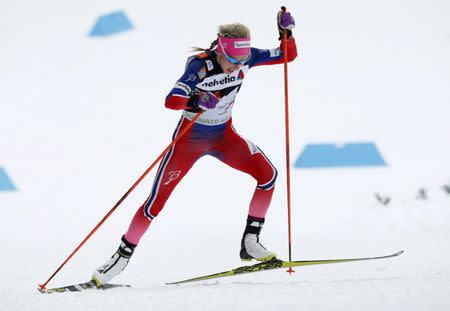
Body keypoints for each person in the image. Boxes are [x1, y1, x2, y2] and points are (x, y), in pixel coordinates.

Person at [91, 9, 297, 286]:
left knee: (268, 176)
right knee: (155, 204)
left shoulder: (246, 57)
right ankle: (120, 258)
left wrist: (287, 33)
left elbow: (287, 55)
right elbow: (172, 100)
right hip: (189, 141)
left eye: (241, 61)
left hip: (223, 138)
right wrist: (197, 99)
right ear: (220, 50)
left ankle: (250, 241)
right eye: (232, 61)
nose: (237, 66)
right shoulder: (200, 65)